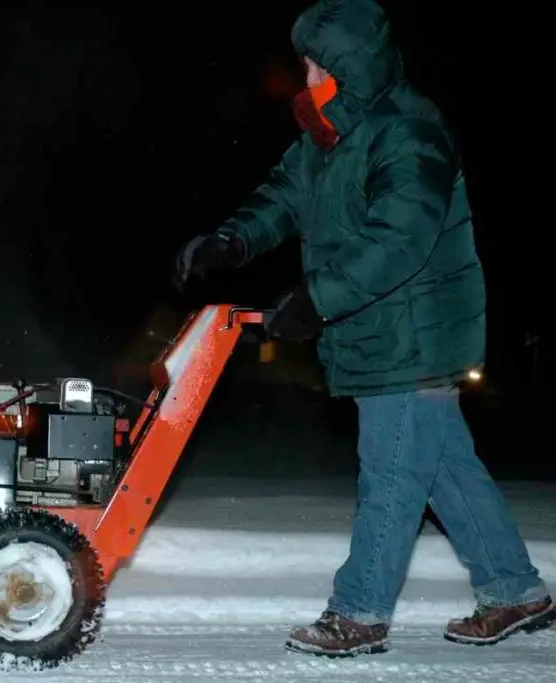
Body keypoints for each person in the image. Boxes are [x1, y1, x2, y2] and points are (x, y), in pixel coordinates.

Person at [175, 0, 553, 658]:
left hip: (416, 334)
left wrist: (314, 299)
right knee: (441, 468)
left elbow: (399, 239)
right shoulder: (328, 136)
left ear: (348, 66)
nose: (306, 76)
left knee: (390, 473)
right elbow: (282, 196)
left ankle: (360, 612)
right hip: (381, 332)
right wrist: (231, 242)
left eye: (315, 64)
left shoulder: (409, 132)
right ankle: (514, 589)